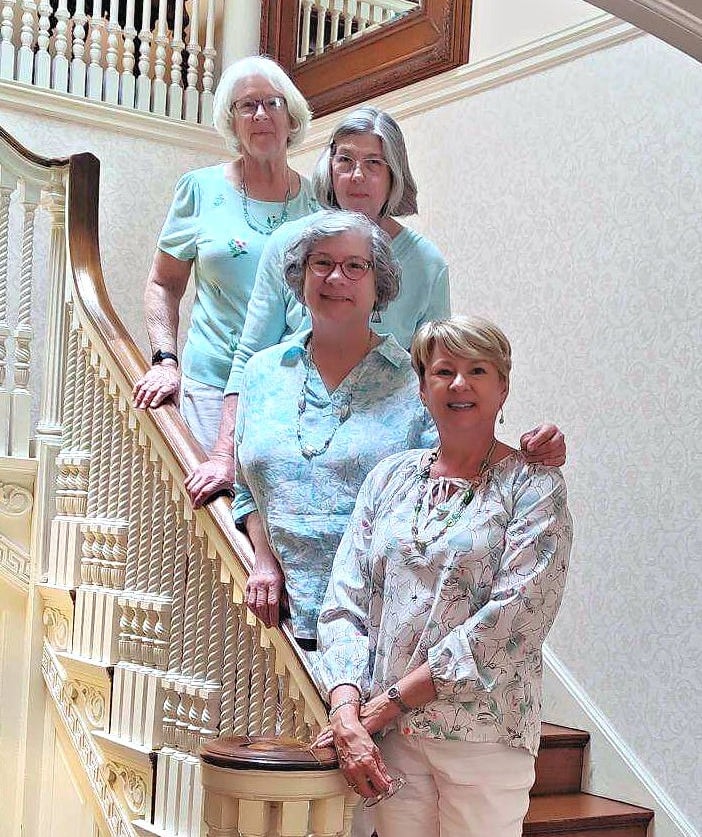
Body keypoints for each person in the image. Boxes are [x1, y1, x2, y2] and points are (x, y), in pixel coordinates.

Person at [234, 212, 566, 649]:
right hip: (278, 615)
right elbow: (247, 489)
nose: (337, 277)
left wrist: (536, 452)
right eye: (322, 263)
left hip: (382, 627)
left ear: (380, 285)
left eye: (355, 266)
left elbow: (465, 473)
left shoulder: (420, 383)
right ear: (300, 276)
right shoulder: (260, 374)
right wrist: (262, 561)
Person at [315, 315, 573, 837]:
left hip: (482, 735)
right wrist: (346, 710)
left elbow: (513, 622)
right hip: (390, 737)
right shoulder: (388, 477)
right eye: (443, 371)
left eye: (478, 370)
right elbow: (344, 601)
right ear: (422, 387)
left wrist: (384, 706)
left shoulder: (533, 486)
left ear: (502, 388)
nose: (459, 384)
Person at [186, 106, 450, 506]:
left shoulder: (426, 264)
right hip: (293, 444)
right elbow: (250, 355)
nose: (356, 175)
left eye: (373, 163)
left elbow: (439, 374)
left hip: (380, 461)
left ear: (394, 174)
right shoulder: (288, 245)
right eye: (345, 160)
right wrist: (225, 455)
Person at [132, 56, 316, 452]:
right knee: (210, 508)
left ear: (293, 118)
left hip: (292, 391)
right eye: (246, 105)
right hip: (211, 384)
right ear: (232, 122)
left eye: (273, 103)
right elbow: (163, 284)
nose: (260, 114)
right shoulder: (199, 188)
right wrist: (166, 360)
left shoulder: (318, 202)